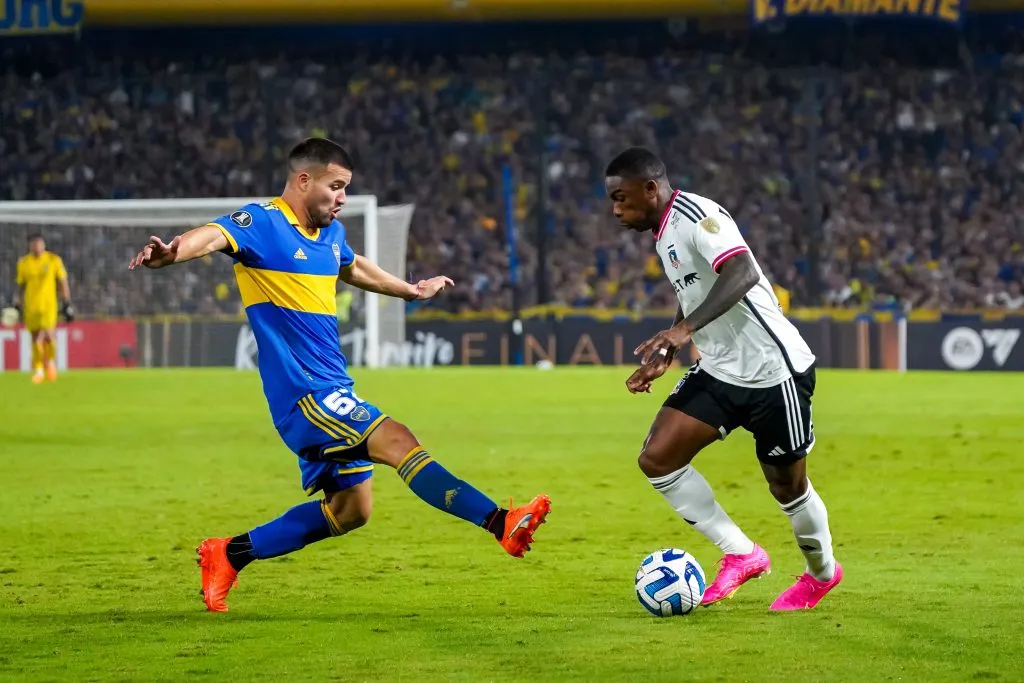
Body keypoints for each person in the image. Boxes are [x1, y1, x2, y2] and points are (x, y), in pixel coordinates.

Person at [129, 137, 551, 612]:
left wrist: (410, 291)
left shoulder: (329, 235)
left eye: (346, 188)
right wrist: (173, 253)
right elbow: (212, 235)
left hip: (331, 389)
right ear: (303, 180)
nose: (343, 197)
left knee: (352, 511)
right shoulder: (263, 222)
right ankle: (501, 523)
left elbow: (354, 268)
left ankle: (228, 554)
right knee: (397, 439)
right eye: (335, 186)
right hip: (304, 396)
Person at [604, 147, 841, 611]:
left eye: (621, 198)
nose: (615, 209)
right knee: (658, 459)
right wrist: (671, 349)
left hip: (774, 372)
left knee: (787, 488)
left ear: (651, 189)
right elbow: (694, 291)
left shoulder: (698, 215)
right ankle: (742, 553)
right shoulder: (661, 231)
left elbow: (743, 271)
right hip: (719, 369)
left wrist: (683, 330)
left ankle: (822, 574)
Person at [14, 234, 74, 383]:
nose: (37, 246)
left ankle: (51, 364)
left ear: (43, 244)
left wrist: (66, 303)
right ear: (30, 246)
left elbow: (62, 282)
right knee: (35, 337)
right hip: (31, 306)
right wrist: (17, 303)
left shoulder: (54, 260)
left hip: (49, 305)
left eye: (39, 243)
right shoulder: (24, 263)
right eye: (34, 244)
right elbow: (21, 286)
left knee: (48, 334)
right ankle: (39, 370)